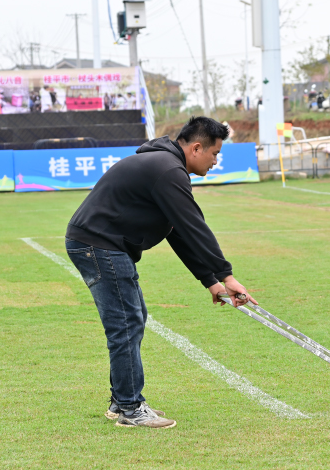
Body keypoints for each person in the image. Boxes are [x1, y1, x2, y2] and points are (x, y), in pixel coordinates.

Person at [64, 116, 257, 429]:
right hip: (99, 245)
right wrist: (227, 275)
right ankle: (130, 408)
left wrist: (210, 281)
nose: (215, 161)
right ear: (196, 148)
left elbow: (178, 232)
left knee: (133, 318)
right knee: (126, 322)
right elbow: (195, 227)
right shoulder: (168, 170)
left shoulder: (164, 165)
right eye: (214, 154)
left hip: (99, 244)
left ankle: (122, 400)